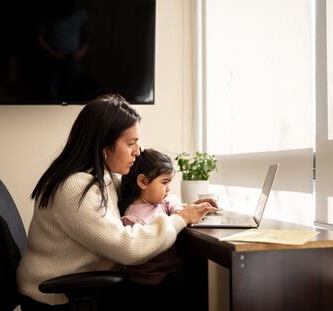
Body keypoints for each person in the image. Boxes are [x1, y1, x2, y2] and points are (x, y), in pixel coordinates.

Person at [16, 94, 217, 310]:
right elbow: (128, 248)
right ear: (105, 146)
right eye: (131, 143)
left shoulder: (105, 177)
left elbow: (147, 193)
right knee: (181, 296)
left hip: (86, 289)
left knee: (179, 290)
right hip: (61, 299)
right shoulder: (75, 187)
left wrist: (186, 209)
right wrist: (179, 219)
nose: (137, 151)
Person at [119, 148, 200, 310]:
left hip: (169, 274)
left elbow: (172, 200)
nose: (168, 188)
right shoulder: (133, 219)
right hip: (150, 284)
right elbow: (147, 250)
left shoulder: (159, 202)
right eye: (164, 182)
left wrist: (180, 212)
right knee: (192, 297)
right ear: (143, 182)